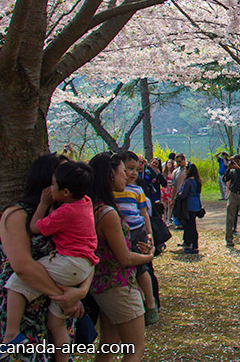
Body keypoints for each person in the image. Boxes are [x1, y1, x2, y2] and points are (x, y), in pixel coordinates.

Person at [0, 162, 97, 362]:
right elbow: (23, 267)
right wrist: (64, 296)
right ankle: (14, 336)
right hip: (35, 304)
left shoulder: (64, 211)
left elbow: (83, 255)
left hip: (60, 287)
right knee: (50, 330)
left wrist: (80, 292)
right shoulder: (18, 214)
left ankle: (12, 334)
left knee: (19, 286)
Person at [88, 153, 152, 362]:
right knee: (135, 349)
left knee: (109, 344)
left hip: (101, 284)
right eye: (123, 171)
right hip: (118, 285)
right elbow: (124, 258)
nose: (127, 177)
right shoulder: (107, 213)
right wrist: (148, 256)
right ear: (110, 175)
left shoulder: (93, 207)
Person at [114, 153, 157, 324]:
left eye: (135, 169)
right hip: (119, 233)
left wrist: (149, 233)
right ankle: (137, 302)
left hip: (136, 231)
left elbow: (144, 213)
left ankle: (151, 302)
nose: (132, 173)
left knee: (141, 268)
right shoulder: (113, 190)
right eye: (127, 169)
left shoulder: (137, 190)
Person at [224, 154, 240, 247]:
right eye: (234, 161)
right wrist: (228, 169)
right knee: (230, 217)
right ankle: (229, 239)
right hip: (233, 194)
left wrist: (238, 169)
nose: (236, 163)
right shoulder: (232, 171)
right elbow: (225, 179)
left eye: (237, 161)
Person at [179, 165, 202, 253]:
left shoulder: (188, 182)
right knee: (192, 225)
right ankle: (190, 244)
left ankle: (193, 246)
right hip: (196, 206)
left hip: (189, 206)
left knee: (190, 227)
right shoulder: (197, 181)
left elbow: (184, 194)